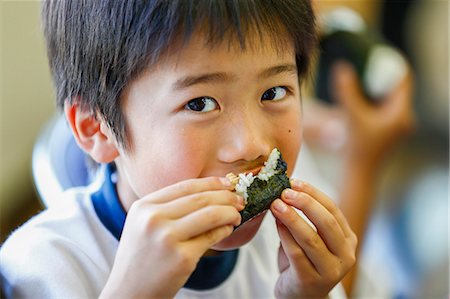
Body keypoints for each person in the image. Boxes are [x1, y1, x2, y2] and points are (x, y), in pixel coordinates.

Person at [0, 1, 357, 298]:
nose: (251, 145)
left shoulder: (288, 252)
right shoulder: (42, 268)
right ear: (96, 128)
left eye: (273, 93)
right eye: (200, 104)